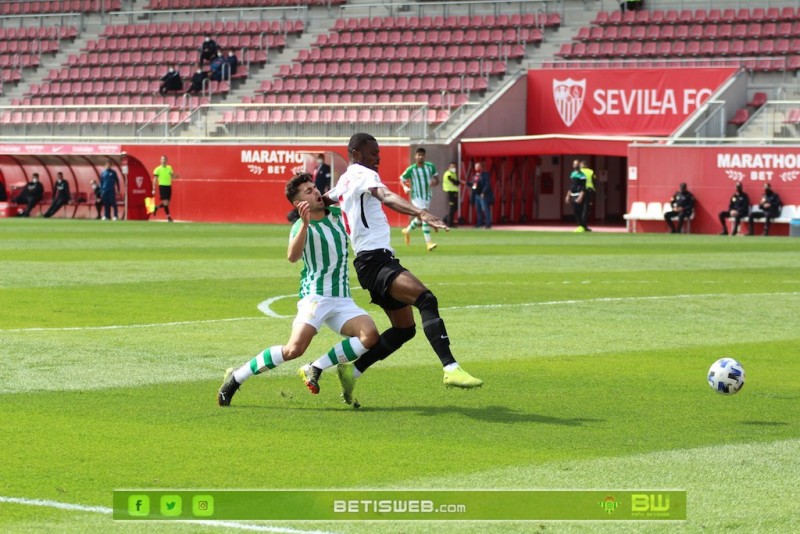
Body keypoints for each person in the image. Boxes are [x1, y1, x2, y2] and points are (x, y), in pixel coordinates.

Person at [326, 133, 483, 407]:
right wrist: (421, 213)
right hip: (376, 261)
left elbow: (327, 198)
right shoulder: (364, 175)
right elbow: (385, 195)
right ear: (356, 152)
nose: (378, 157)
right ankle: (450, 368)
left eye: (378, 152)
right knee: (426, 299)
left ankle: (352, 371)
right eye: (373, 152)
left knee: (404, 329)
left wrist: (307, 203)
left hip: (370, 263)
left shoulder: (346, 179)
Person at [218, 173, 380, 406]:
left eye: (314, 187)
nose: (315, 192)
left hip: (342, 299)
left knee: (370, 335)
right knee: (293, 349)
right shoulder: (300, 227)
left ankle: (316, 367)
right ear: (298, 204)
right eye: (308, 191)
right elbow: (292, 256)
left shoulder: (337, 215)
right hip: (315, 297)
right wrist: (305, 223)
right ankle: (235, 378)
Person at [400, 147, 440, 251]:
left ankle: (407, 230)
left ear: (424, 156)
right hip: (416, 196)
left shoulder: (430, 167)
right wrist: (405, 187)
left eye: (422, 155)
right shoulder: (411, 169)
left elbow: (437, 180)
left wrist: (434, 182)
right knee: (425, 215)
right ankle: (429, 243)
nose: (420, 157)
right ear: (415, 156)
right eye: (418, 155)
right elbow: (402, 179)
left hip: (427, 196)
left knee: (420, 217)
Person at [564, 159, 587, 232]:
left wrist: (581, 196)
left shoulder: (582, 175)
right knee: (575, 211)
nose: (575, 165)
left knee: (580, 211)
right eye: (574, 164)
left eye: (577, 164)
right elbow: (571, 186)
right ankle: (579, 225)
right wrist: (568, 195)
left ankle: (581, 226)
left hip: (579, 194)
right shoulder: (573, 174)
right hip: (573, 194)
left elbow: (583, 187)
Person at [470, 161, 494, 229]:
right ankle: (479, 223)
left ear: (481, 167)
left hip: (483, 195)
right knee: (478, 210)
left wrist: (483, 192)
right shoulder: (475, 176)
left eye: (478, 166)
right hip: (476, 195)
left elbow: (487, 184)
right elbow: (473, 184)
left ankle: (488, 223)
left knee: (486, 209)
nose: (476, 168)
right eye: (475, 166)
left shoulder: (485, 175)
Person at [152, 155, 175, 222]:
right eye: (162, 159)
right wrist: (153, 188)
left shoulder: (169, 168)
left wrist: (174, 176)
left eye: (164, 159)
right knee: (165, 203)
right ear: (160, 160)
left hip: (168, 186)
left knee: (167, 203)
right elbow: (155, 179)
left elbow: (172, 176)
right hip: (162, 186)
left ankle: (156, 207)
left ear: (166, 160)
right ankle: (168, 217)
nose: (163, 161)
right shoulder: (157, 169)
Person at [441, 161, 461, 227]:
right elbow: (454, 182)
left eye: (454, 167)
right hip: (450, 192)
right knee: (452, 208)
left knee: (455, 207)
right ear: (449, 167)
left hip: (454, 192)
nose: (453, 168)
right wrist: (457, 182)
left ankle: (446, 219)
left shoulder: (453, 174)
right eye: (452, 167)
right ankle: (450, 223)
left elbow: (457, 182)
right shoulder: (448, 174)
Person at [579, 160, 595, 231]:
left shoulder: (579, 172)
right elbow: (594, 181)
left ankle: (581, 225)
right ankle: (583, 225)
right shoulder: (591, 172)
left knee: (580, 208)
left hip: (579, 191)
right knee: (586, 209)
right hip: (588, 191)